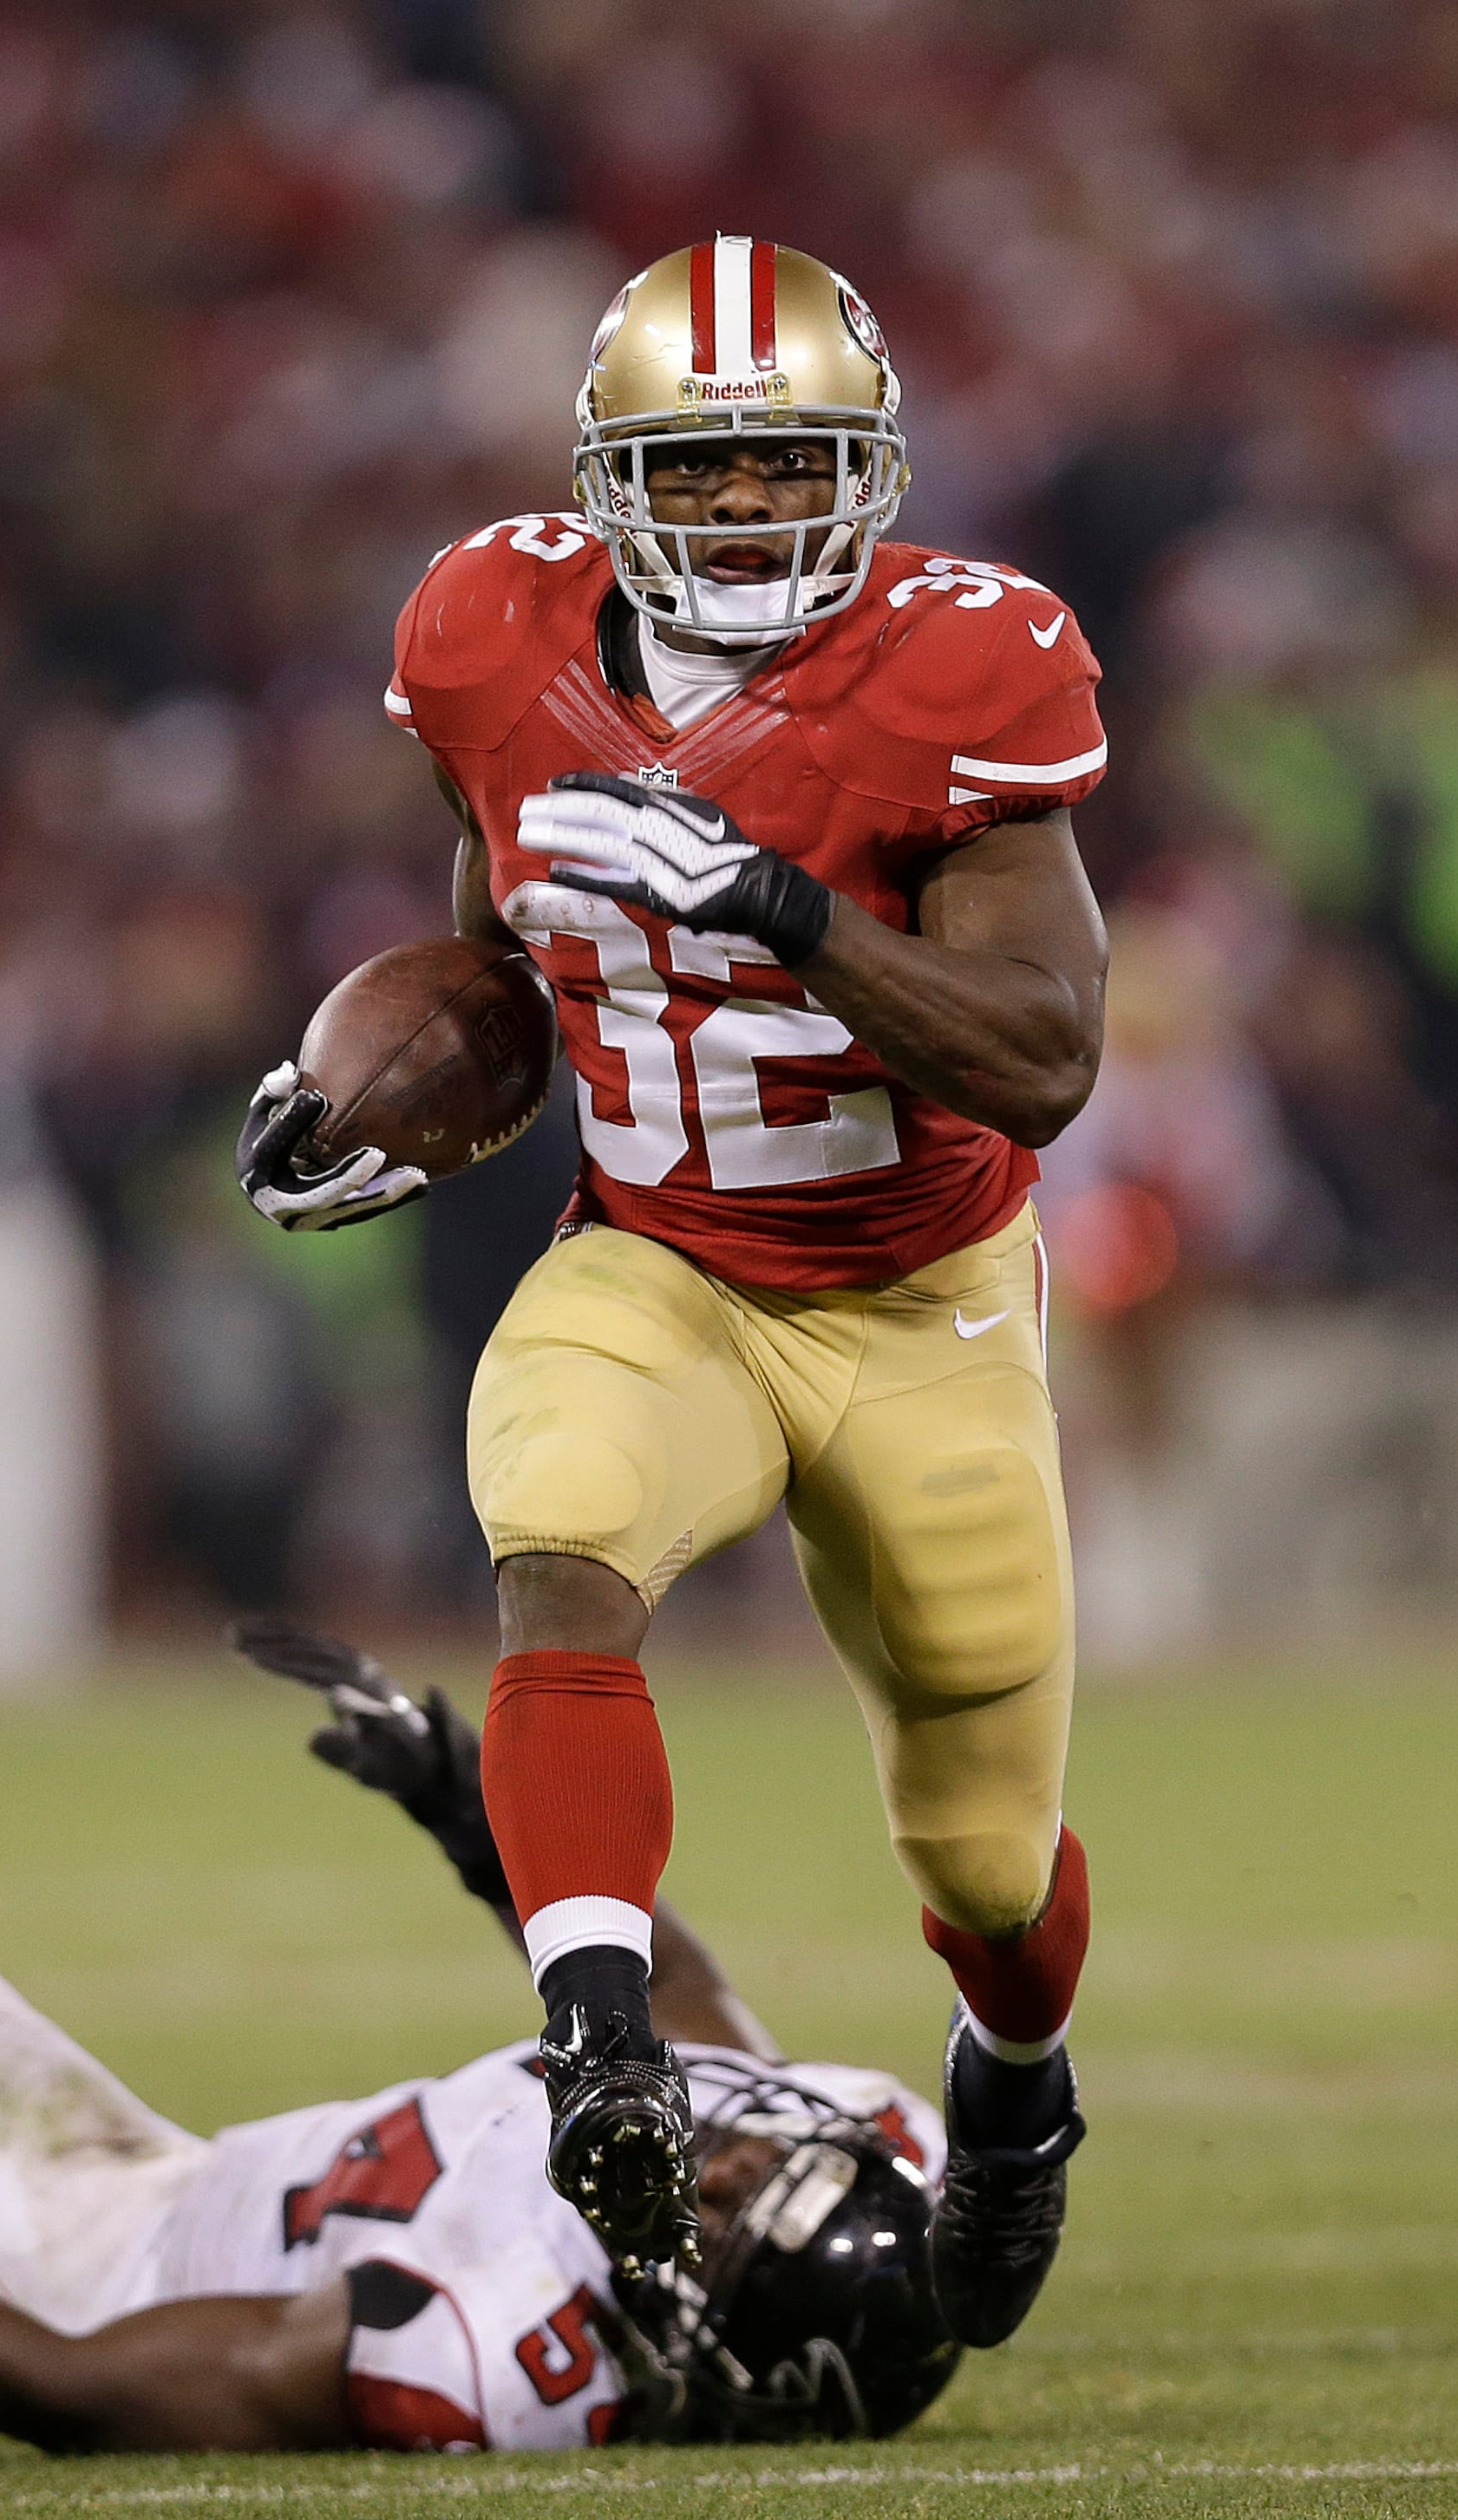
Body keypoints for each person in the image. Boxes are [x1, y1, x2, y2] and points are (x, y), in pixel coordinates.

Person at [233, 237, 1102, 2345]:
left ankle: (1017, 2096)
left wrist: (782, 903)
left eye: (785, 464)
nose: (738, 511)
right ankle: (601, 2032)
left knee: (987, 1856)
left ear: (872, 468)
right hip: (667, 1257)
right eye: (694, 471)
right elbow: (508, 959)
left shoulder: (970, 669)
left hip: (923, 1299)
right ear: (607, 478)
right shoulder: (484, 633)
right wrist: (390, 1098)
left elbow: (1046, 1056)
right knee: (560, 1535)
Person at [0, 1622, 960, 2452]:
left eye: (723, 2210)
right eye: (768, 2154)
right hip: (263, 2170)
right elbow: (678, 2000)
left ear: (700, 2342)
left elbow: (83, 2385)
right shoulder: (866, 2142)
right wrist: (464, 1807)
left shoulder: (497, 2351)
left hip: (139, 2241)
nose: (722, 2149)